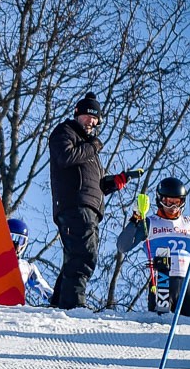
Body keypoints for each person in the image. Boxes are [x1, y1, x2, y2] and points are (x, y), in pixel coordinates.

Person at [48, 91, 141, 309]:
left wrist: (115, 181)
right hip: (75, 206)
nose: (92, 122)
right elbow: (65, 157)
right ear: (77, 114)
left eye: (95, 119)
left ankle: (59, 305)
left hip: (86, 207)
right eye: (88, 116)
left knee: (75, 257)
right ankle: (73, 306)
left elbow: (90, 184)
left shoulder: (87, 146)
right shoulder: (65, 132)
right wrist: (93, 146)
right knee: (84, 255)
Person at [116, 177, 190, 317]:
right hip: (162, 280)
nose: (174, 207)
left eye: (177, 202)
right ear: (160, 200)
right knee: (159, 323)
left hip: (187, 283)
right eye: (169, 202)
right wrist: (136, 218)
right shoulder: (150, 223)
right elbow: (122, 246)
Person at [8, 218, 53, 305]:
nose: (15, 244)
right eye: (10, 238)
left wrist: (55, 300)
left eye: (20, 240)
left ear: (24, 243)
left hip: (12, 307)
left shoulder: (27, 267)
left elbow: (43, 288)